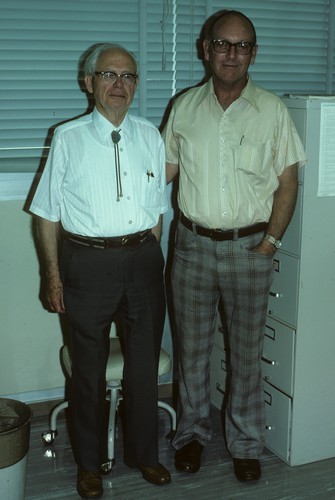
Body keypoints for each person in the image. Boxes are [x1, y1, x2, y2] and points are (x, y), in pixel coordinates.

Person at [163, 10, 307, 482]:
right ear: (206, 48)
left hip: (250, 251)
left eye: (241, 45)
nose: (231, 53)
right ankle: (191, 436)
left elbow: (288, 182)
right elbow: (161, 174)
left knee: (246, 354)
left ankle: (246, 443)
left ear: (253, 53)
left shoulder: (272, 110)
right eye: (222, 44)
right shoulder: (183, 107)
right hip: (191, 249)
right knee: (192, 352)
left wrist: (270, 242)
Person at [30, 43, 171, 498]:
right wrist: (52, 276)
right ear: (88, 82)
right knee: (87, 372)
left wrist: (151, 253)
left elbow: (157, 209)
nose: (119, 85)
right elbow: (47, 213)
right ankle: (88, 465)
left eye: (128, 76)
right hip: (86, 264)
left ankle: (144, 455)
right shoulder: (67, 137)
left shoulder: (150, 135)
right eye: (108, 75)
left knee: (145, 367)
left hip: (143, 262)